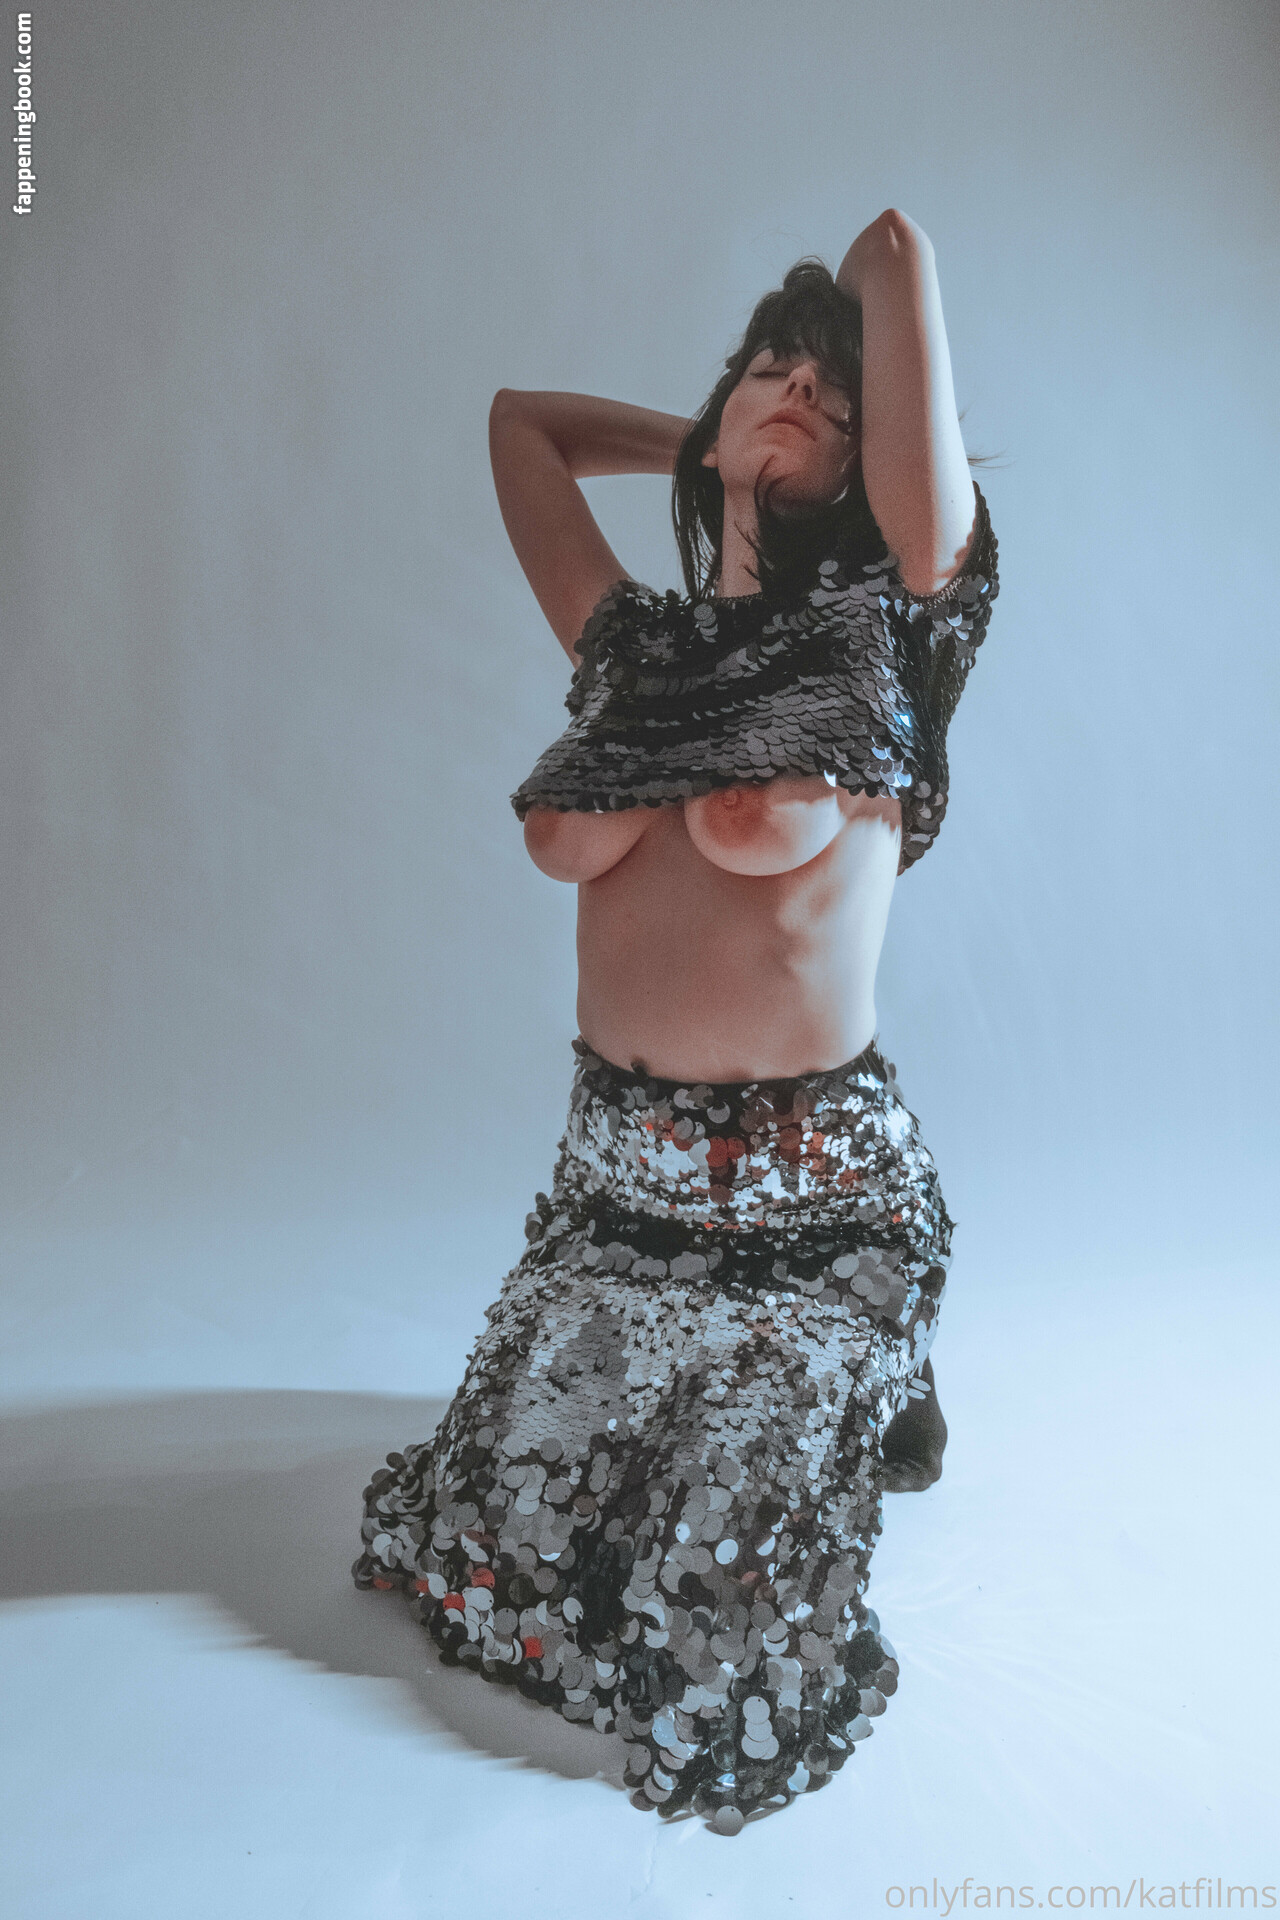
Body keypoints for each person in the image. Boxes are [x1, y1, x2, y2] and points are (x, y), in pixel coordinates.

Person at [354, 208, 999, 1835]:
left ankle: (861, 1362)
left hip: (811, 1214)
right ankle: (810, 1398)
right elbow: (520, 427)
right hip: (612, 1214)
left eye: (836, 397)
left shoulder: (897, 631)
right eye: (774, 370)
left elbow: (892, 250)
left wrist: (834, 421)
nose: (804, 392)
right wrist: (710, 441)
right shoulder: (632, 649)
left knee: (716, 1620)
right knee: (485, 1554)